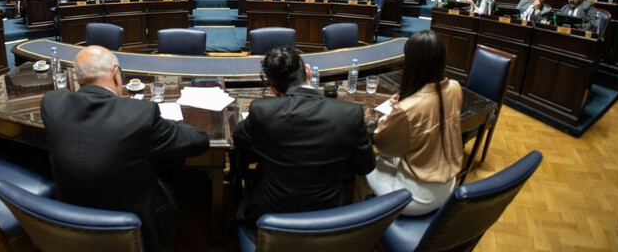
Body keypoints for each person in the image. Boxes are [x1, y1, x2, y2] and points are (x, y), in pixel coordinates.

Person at [41, 46, 208, 252]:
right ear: (116, 75)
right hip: (134, 225)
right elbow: (198, 141)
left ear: (78, 78)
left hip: (68, 219)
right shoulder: (140, 115)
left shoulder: (51, 103)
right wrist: (170, 123)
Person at [233, 47, 375, 228]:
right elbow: (365, 166)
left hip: (272, 215)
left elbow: (239, 137)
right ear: (308, 71)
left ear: (273, 90)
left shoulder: (262, 111)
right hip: (331, 216)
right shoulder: (350, 114)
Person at [366, 30, 463, 215]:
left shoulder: (408, 108)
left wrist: (395, 111)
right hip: (449, 185)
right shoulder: (455, 88)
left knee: (364, 163)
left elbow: (384, 145)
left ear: (411, 63)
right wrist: (405, 102)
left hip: (416, 198)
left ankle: (368, 223)